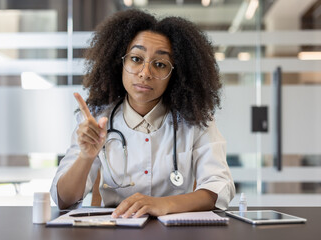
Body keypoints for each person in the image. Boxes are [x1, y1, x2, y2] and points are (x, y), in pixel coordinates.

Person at [50, 9, 235, 218]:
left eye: (160, 64)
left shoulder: (195, 121)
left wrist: (163, 204)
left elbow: (220, 188)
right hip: (114, 230)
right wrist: (85, 157)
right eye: (136, 59)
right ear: (119, 63)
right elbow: (63, 200)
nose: (145, 73)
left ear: (176, 74)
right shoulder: (97, 120)